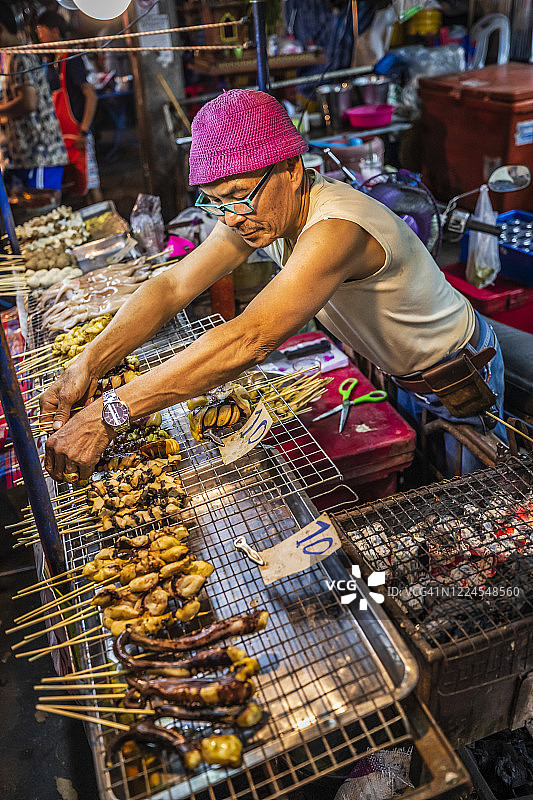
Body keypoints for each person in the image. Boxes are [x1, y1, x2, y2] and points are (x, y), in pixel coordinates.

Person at [41, 89, 505, 483]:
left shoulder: (337, 228)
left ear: (292, 169)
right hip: (399, 367)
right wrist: (88, 363)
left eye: (239, 195)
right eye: (216, 202)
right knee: (417, 472)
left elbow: (249, 339)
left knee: (472, 507)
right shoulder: (254, 211)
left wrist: (110, 412)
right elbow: (171, 286)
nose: (231, 215)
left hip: (457, 372)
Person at [37, 9, 102, 202]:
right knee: (77, 185)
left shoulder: (70, 56)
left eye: (41, 31)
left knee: (91, 184)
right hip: (65, 136)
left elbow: (91, 95)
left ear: (55, 31)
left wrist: (84, 131)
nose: (40, 37)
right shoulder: (55, 60)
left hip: (78, 134)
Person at [0, 2, 67, 192]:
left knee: (45, 212)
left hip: (40, 153)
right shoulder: (11, 55)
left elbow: (28, 102)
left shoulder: (20, 55)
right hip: (30, 154)